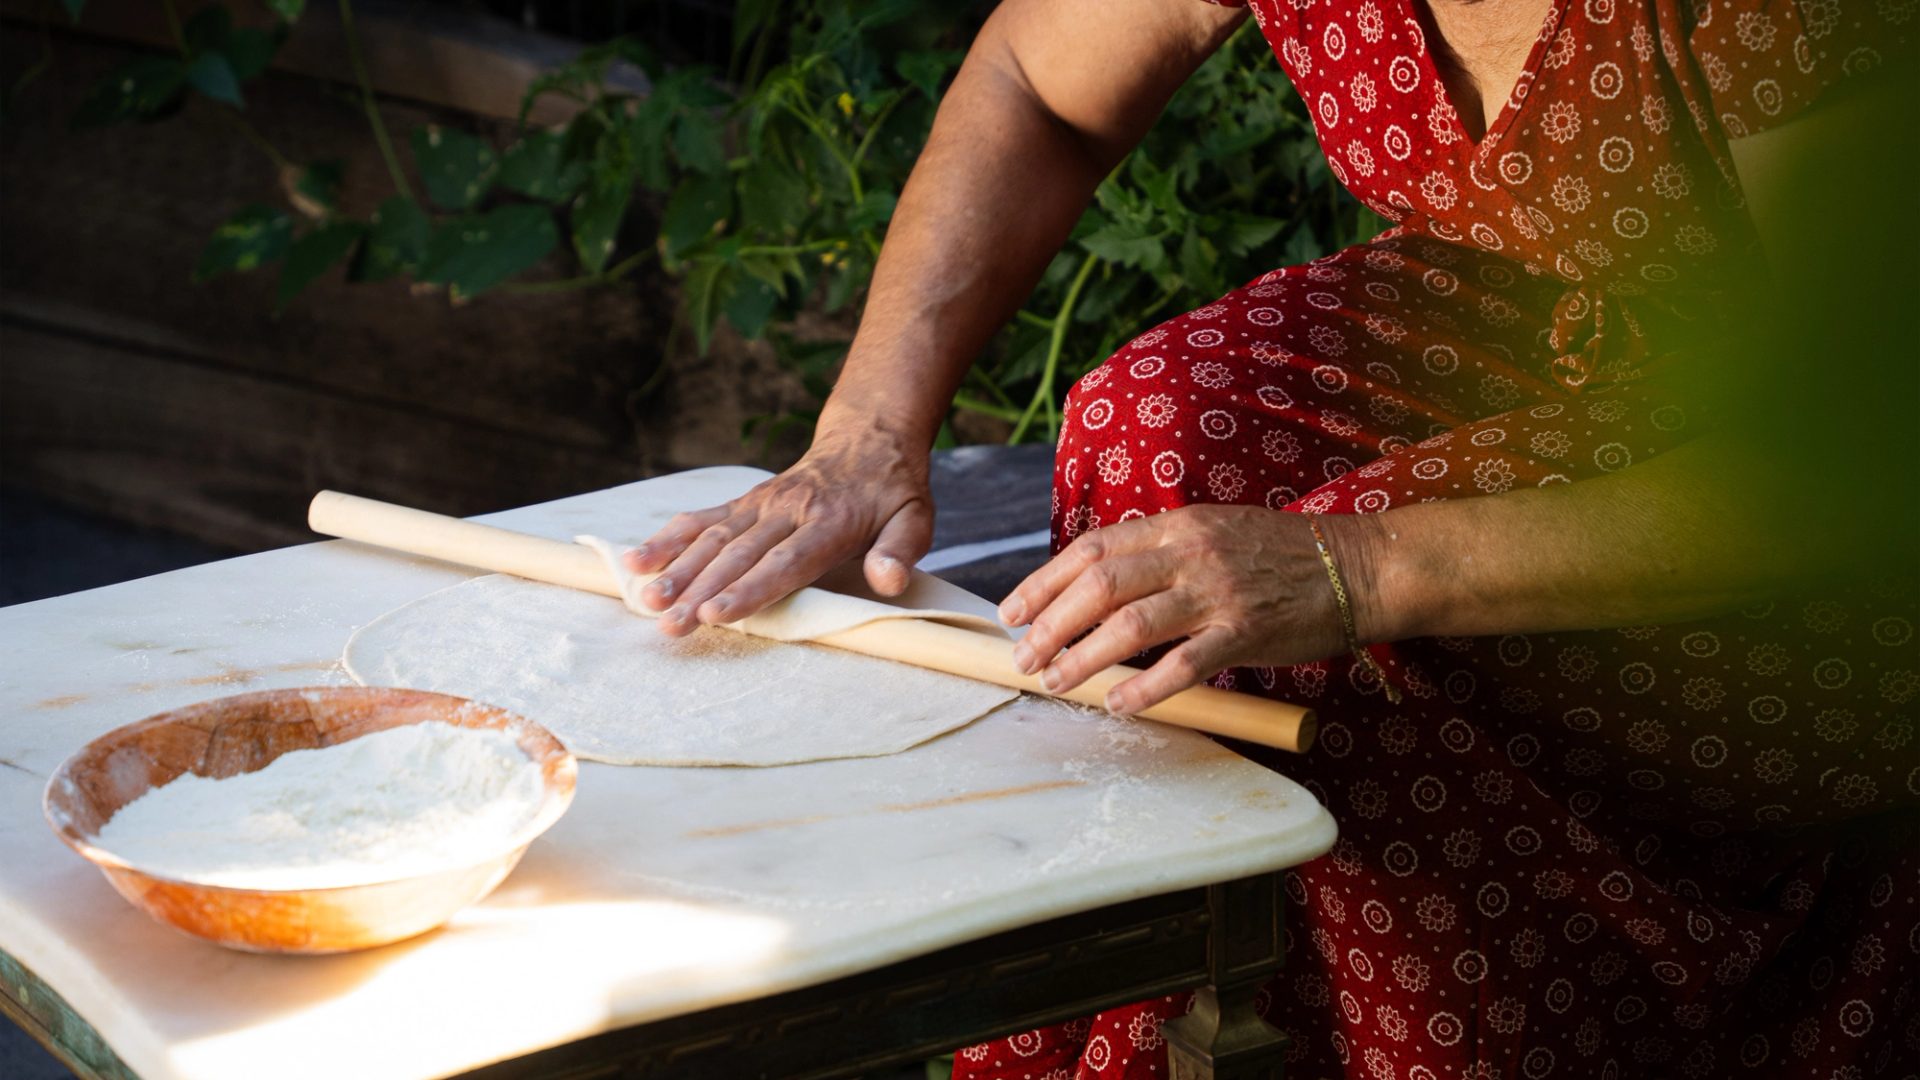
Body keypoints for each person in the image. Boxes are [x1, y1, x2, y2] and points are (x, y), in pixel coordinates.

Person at [626, 0, 1918, 1075]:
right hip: (1551, 330)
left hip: (1814, 481)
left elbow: (1852, 464)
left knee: (1347, 637)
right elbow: (1039, 80)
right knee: (1151, 435)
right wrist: (863, 435)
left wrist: (1352, 571)